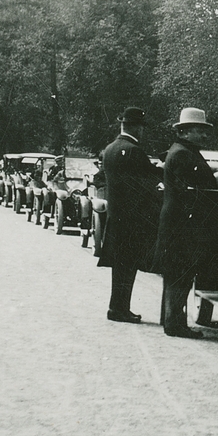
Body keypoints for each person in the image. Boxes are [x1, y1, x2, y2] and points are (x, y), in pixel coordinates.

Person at [155, 108, 218, 339]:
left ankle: (170, 319)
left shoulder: (181, 151)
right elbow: (190, 191)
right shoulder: (184, 154)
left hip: (177, 221)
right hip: (182, 224)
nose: (204, 136)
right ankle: (175, 325)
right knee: (180, 273)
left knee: (176, 273)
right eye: (199, 131)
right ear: (185, 132)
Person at [98, 108, 163, 323]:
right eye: (142, 127)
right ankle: (120, 309)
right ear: (137, 127)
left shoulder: (110, 149)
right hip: (133, 219)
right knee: (128, 267)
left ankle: (117, 306)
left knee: (120, 267)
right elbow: (147, 183)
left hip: (116, 217)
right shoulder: (134, 151)